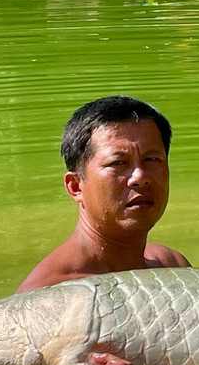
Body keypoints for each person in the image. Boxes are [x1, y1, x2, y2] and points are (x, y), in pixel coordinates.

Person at [17, 95, 190, 293]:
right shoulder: (51, 294)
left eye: (152, 159)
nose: (140, 177)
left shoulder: (172, 267)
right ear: (76, 187)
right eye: (118, 163)